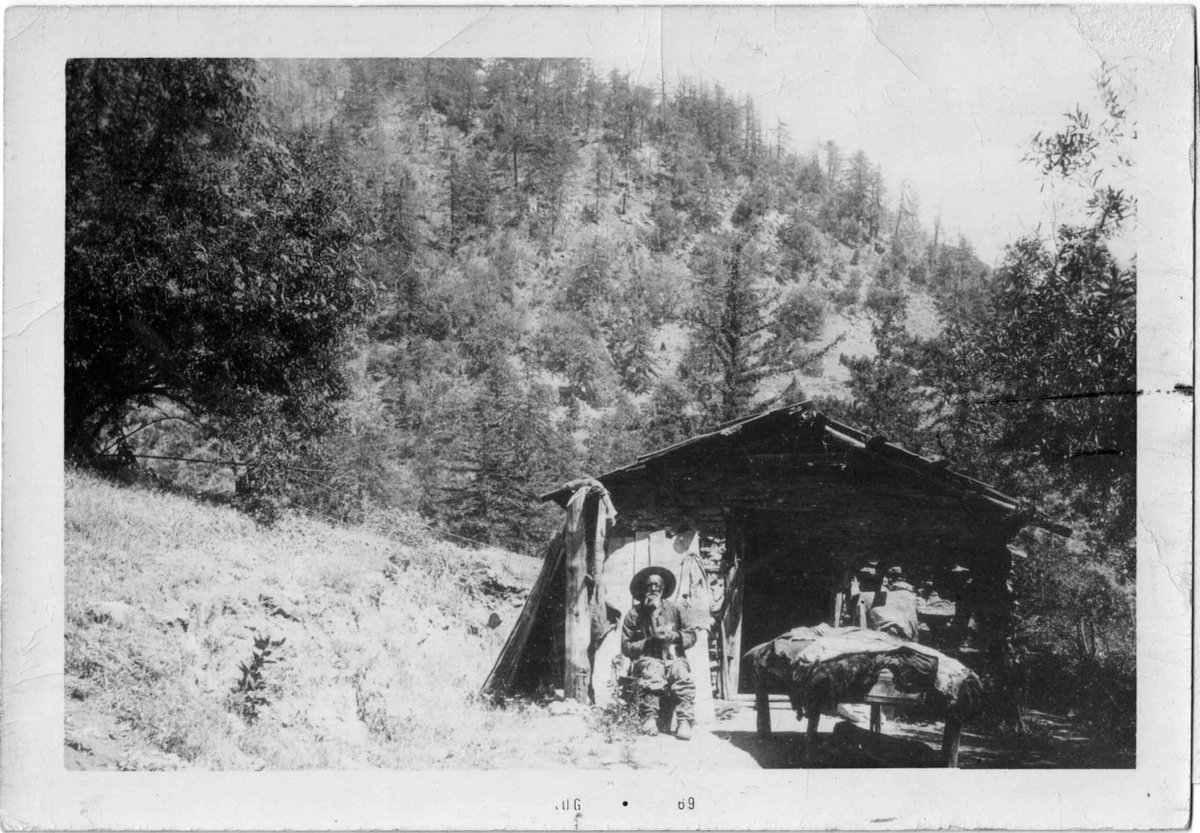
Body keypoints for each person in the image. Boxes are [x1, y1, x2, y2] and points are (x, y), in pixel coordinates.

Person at [620, 566, 696, 740]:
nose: (653, 589)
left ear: (663, 588)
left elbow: (691, 635)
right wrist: (649, 641)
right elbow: (625, 647)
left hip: (674, 657)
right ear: (642, 589)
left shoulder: (676, 610)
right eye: (649, 585)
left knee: (681, 673)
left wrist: (676, 636)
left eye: (657, 585)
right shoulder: (634, 615)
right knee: (653, 671)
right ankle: (650, 719)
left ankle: (684, 722)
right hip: (648, 659)